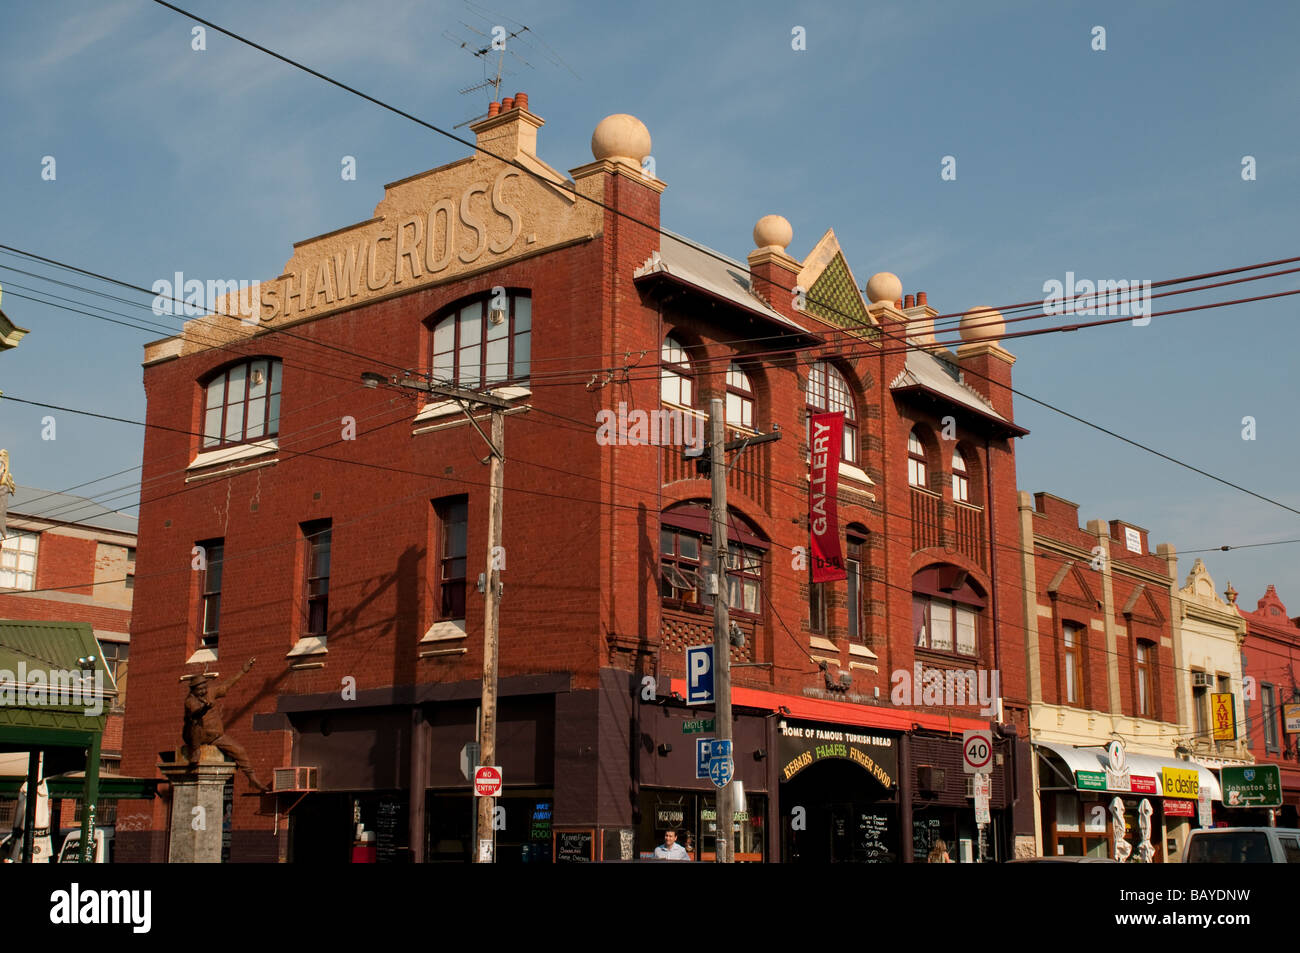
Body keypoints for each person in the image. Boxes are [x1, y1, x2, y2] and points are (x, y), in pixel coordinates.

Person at [183, 658, 271, 793]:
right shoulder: (190, 701)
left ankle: (252, 779)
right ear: (193, 690)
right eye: (200, 689)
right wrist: (205, 709)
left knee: (239, 750)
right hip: (197, 736)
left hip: (216, 736)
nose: (203, 691)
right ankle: (195, 751)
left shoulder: (210, 692)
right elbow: (195, 713)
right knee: (195, 722)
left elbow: (227, 685)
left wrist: (243, 671)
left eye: (204, 688)